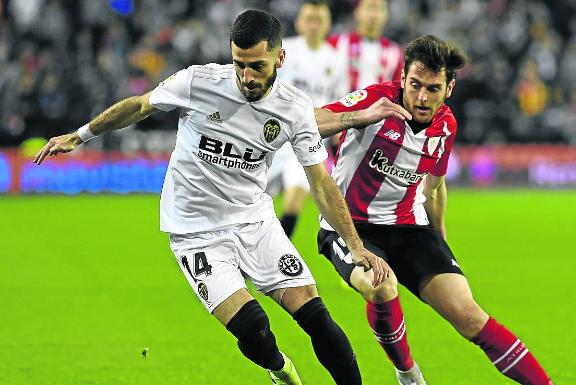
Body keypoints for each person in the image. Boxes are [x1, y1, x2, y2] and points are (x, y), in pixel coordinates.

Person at [33, 10, 391, 385]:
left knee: (316, 316)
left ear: (279, 59)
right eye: (239, 64)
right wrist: (80, 135)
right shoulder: (198, 82)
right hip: (195, 230)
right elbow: (140, 105)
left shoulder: (294, 108)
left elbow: (321, 183)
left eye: (257, 66)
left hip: (255, 222)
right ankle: (279, 368)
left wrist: (354, 245)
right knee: (254, 330)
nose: (247, 77)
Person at [314, 35, 555, 385]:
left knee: (471, 317)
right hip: (351, 225)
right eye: (415, 85)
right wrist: (360, 117)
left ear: (449, 87)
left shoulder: (446, 126)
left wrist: (440, 240)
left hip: (411, 228)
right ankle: (408, 372)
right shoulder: (375, 99)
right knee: (382, 287)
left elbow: (435, 187)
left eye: (432, 88)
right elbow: (310, 122)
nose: (422, 97)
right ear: (402, 79)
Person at [268, 0, 348, 237]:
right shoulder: (283, 51)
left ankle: (272, 255)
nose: (314, 25)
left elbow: (339, 104)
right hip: (273, 138)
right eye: (309, 19)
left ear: (328, 24)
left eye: (319, 20)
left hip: (307, 142)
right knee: (249, 201)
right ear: (299, 23)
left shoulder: (336, 60)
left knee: (293, 202)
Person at [327, 0, 403, 92]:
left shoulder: (396, 52)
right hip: (339, 103)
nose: (374, 14)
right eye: (369, 7)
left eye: (380, 8)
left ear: (387, 15)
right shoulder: (336, 43)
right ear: (356, 12)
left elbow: (398, 91)